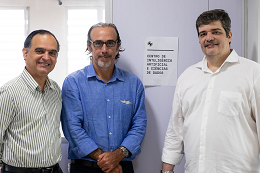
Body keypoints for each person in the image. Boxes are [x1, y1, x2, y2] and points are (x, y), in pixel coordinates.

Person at [161, 9, 260, 173]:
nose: (209, 38)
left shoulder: (253, 73)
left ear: (229, 35)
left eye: (216, 32)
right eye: (203, 34)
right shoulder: (187, 77)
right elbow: (175, 129)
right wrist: (166, 170)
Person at [61, 22, 147, 173]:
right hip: (85, 168)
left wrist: (117, 156)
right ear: (89, 46)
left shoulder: (134, 84)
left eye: (110, 43)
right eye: (98, 43)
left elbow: (139, 126)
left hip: (122, 167)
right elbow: (72, 127)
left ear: (118, 46)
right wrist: (107, 161)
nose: (104, 50)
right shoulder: (73, 82)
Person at [0, 29, 63, 173]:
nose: (46, 57)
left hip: (55, 169)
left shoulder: (55, 90)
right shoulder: (8, 92)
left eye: (52, 53)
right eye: (40, 51)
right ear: (25, 53)